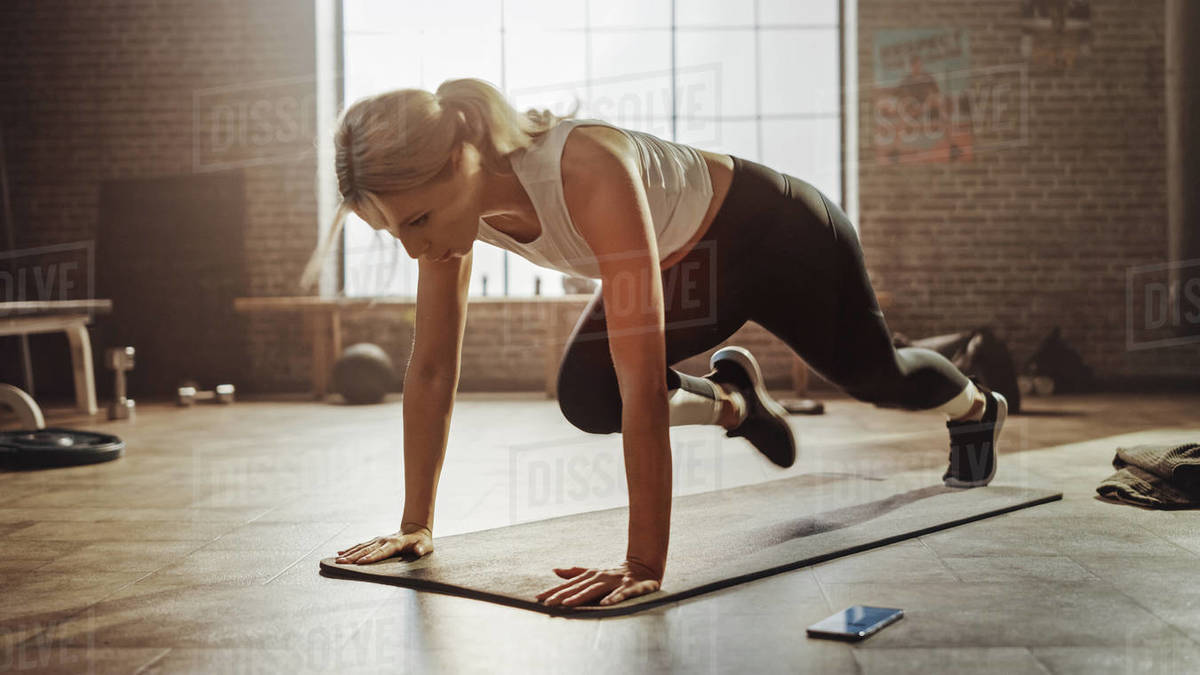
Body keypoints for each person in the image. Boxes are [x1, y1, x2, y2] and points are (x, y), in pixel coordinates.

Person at [305, 78, 1007, 610]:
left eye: (419, 219)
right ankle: (735, 401)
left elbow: (644, 381)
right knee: (587, 393)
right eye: (395, 230)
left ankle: (976, 406)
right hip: (687, 266)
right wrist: (414, 523)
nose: (415, 244)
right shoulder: (449, 221)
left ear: (462, 156)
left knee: (876, 376)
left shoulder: (586, 168)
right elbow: (430, 368)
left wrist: (643, 561)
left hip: (778, 234)